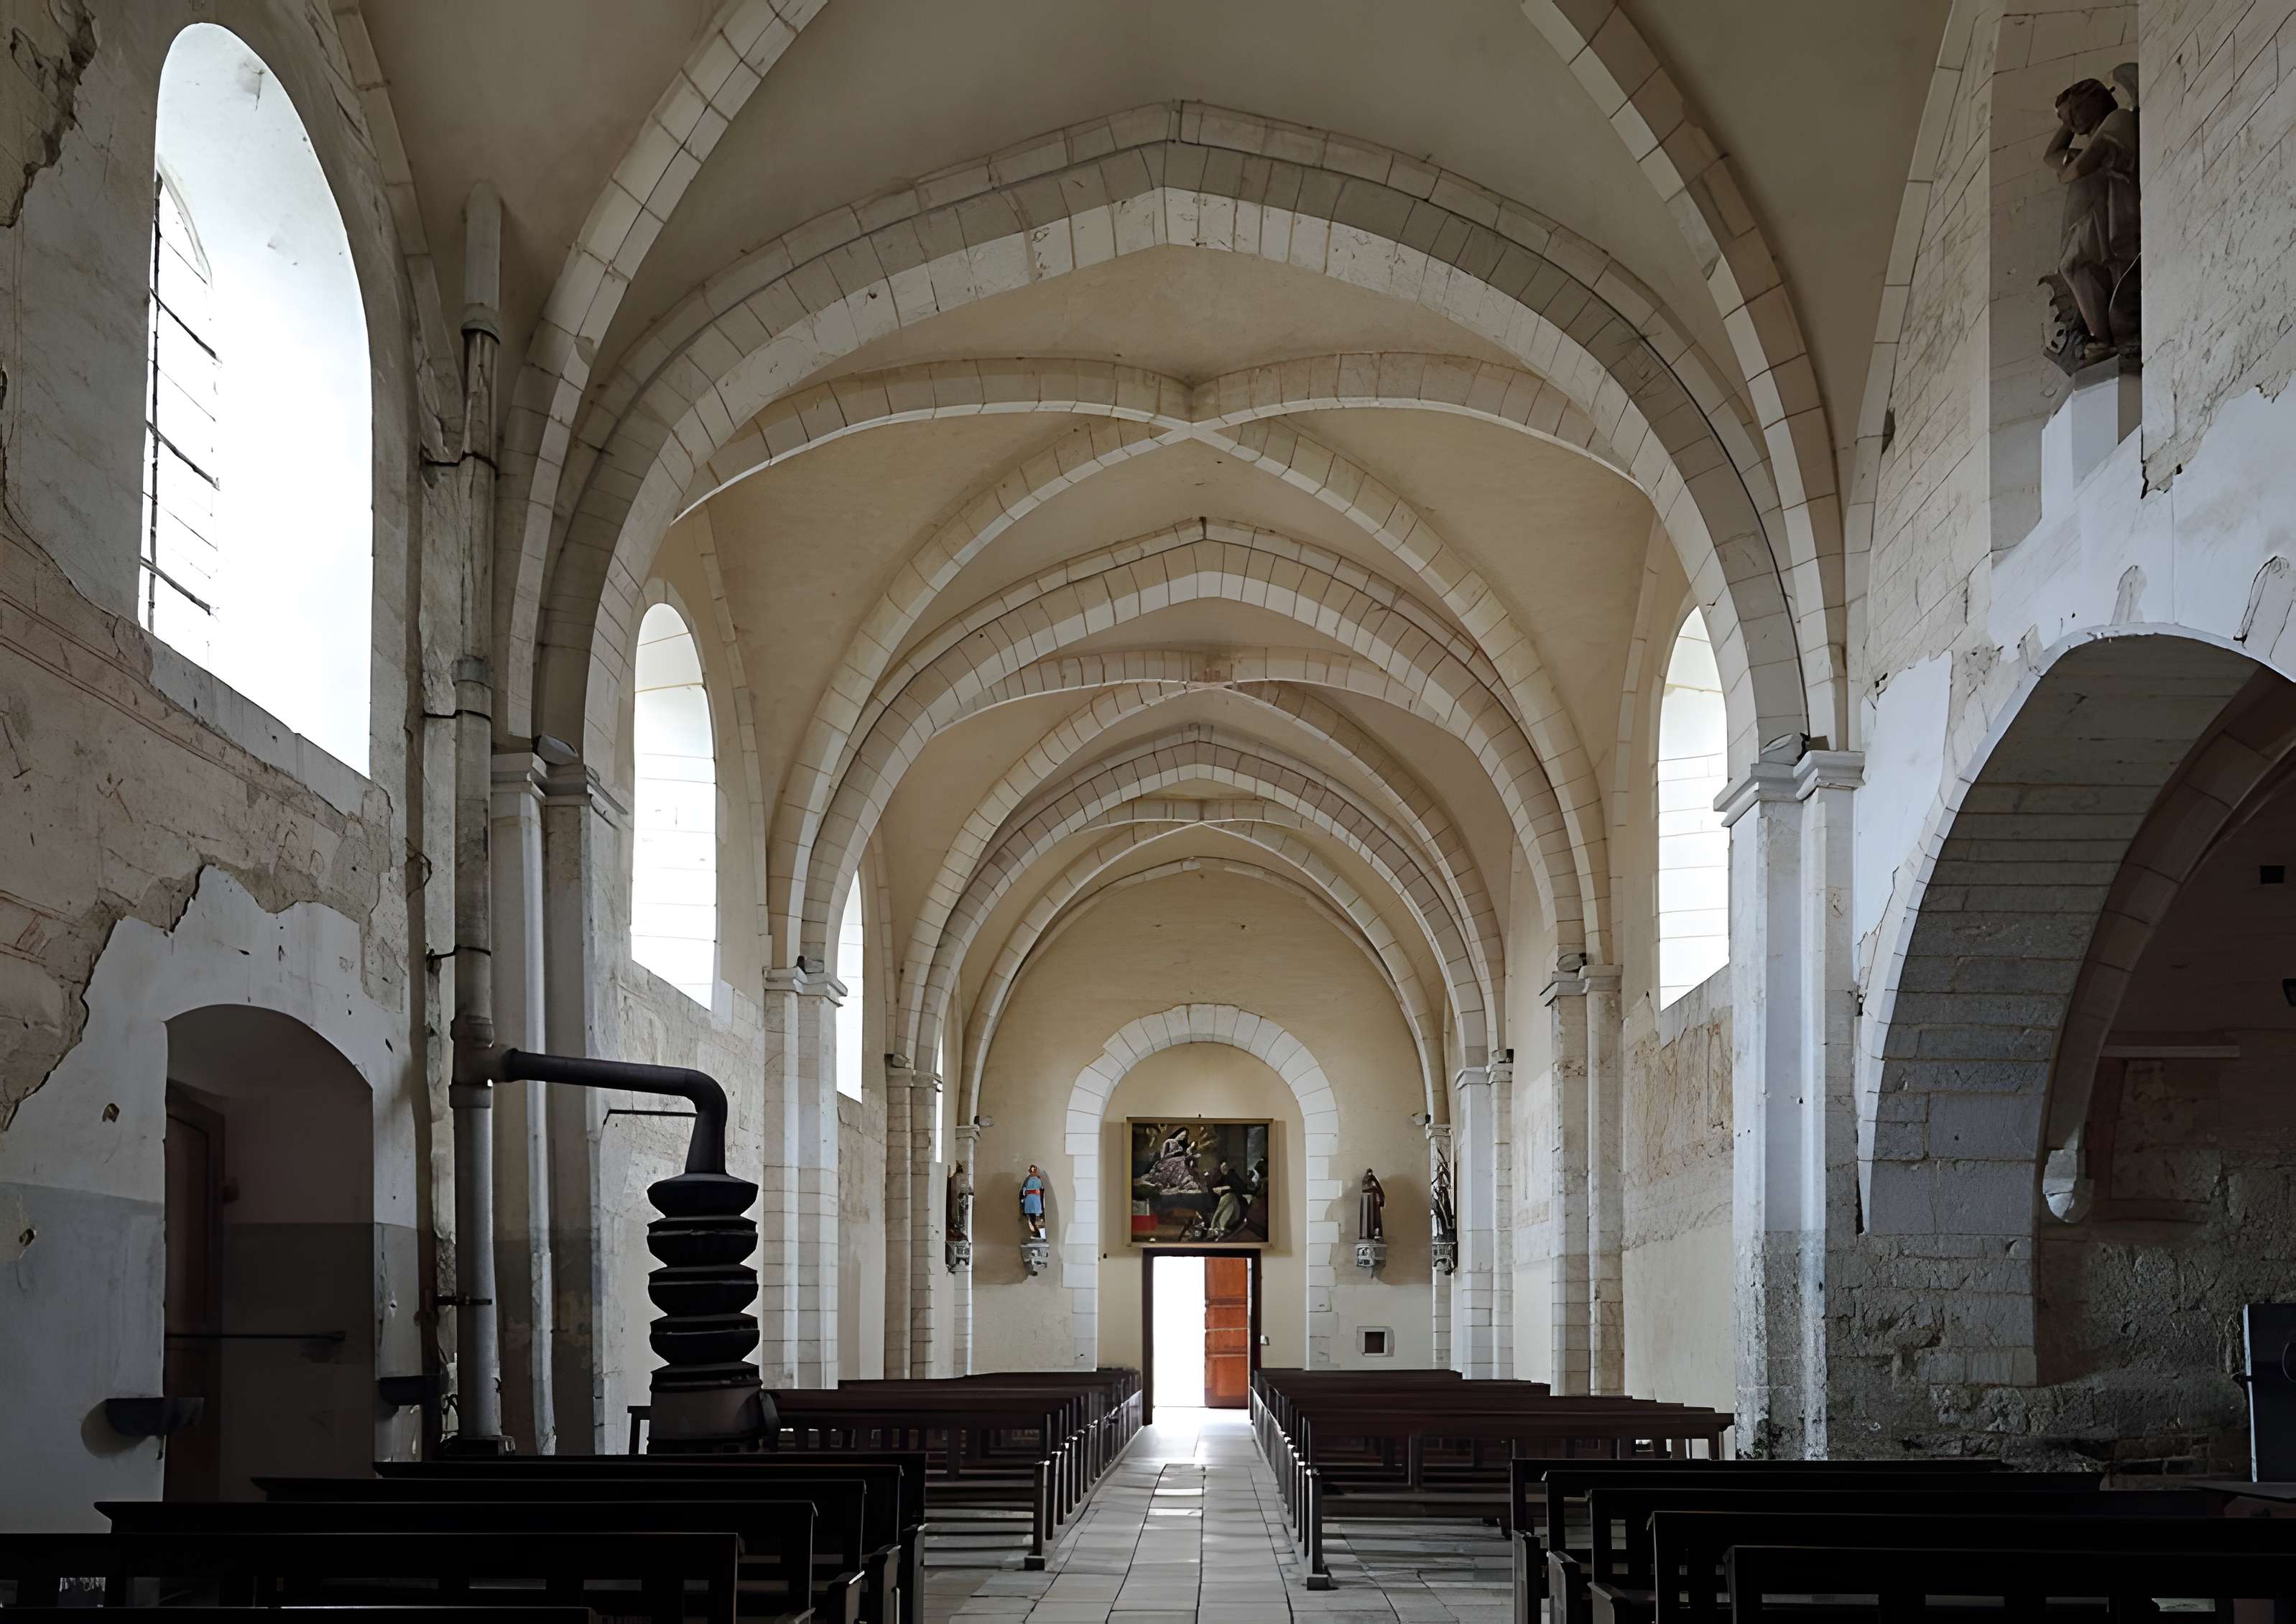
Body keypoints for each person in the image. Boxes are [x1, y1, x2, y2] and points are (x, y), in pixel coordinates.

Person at [2042, 73, 2139, 362]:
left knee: (2085, 266)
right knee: (2078, 268)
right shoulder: (2092, 142)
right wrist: (2067, 123)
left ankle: (2107, 337)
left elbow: (2074, 170)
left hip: (2108, 214)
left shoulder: (2118, 121)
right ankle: (2101, 337)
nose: (2070, 122)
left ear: (2091, 103)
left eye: (2072, 113)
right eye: (2066, 118)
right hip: (2091, 219)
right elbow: (2051, 156)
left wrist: (2072, 163)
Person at [1208, 1160, 1245, 1238]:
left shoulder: (1231, 1175)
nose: (1224, 1169)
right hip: (1228, 1197)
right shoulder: (1223, 1177)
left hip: (1232, 1196)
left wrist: (1227, 1188)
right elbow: (1214, 1187)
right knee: (1225, 1208)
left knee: (1227, 1208)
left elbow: (1239, 1187)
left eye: (1225, 1166)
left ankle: (1217, 1228)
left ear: (1228, 1167)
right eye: (1222, 1167)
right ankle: (1217, 1228)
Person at [1019, 1163, 1047, 1240]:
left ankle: (1037, 1232)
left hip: (1033, 1198)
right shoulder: (1029, 1179)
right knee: (1032, 1216)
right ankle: (1037, 1232)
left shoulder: (1036, 1179)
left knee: (1033, 1217)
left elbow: (1041, 1188)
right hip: (1031, 1199)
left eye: (1034, 1170)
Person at [1358, 1168, 1385, 1242]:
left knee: (1375, 1219)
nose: (1370, 1174)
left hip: (1374, 1204)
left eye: (1371, 1173)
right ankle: (1369, 1234)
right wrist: (1373, 1188)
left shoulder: (1373, 1180)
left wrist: (1380, 1198)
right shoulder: (1366, 1179)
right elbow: (1365, 1188)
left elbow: (1378, 1188)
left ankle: (1376, 1233)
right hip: (1369, 1203)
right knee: (1369, 1218)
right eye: (1369, 1173)